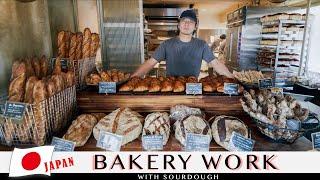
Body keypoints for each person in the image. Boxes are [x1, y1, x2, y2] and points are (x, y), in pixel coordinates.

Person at [131, 9, 233, 78]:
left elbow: (216, 64)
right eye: (184, 21)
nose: (187, 24)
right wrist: (132, 78)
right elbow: (150, 63)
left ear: (195, 26)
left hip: (192, 90)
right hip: (171, 88)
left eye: (191, 22)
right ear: (179, 25)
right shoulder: (166, 44)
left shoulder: (202, 45)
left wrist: (232, 78)